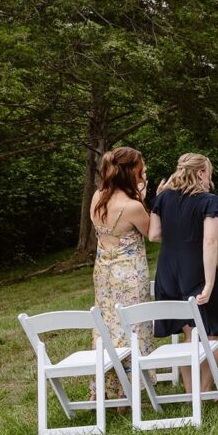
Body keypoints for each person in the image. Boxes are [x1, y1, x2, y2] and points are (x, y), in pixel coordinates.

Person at [148, 153, 218, 393]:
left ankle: (190, 391)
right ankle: (203, 393)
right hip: (195, 268)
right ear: (201, 173)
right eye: (209, 173)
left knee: (189, 332)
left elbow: (153, 235)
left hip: (168, 269)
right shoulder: (208, 201)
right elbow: (210, 242)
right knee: (214, 333)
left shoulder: (163, 199)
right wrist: (209, 283)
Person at [89, 147, 155, 399]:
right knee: (132, 326)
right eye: (141, 168)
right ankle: (130, 391)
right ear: (131, 173)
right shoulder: (132, 207)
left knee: (108, 326)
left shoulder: (98, 197)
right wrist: (146, 199)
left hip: (103, 271)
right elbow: (151, 233)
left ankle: (106, 388)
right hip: (129, 274)